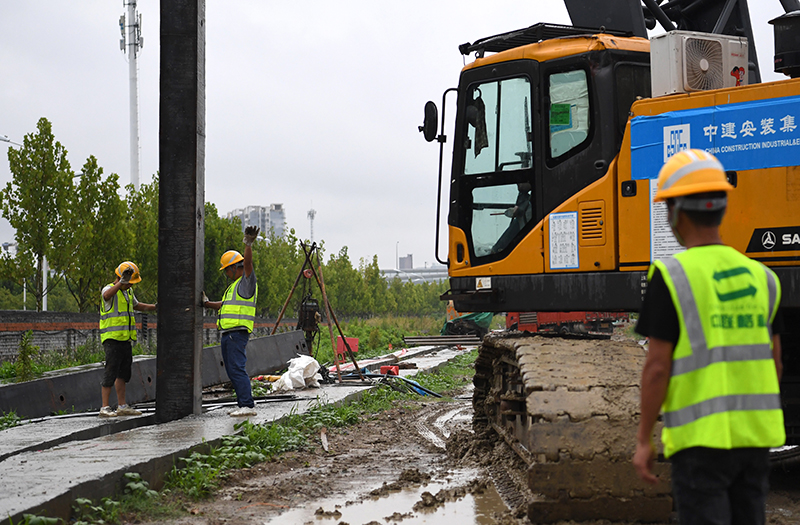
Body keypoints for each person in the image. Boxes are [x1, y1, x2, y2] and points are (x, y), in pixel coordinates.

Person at [633, 149, 785, 525]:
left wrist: (644, 439)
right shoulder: (763, 277)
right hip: (754, 439)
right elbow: (775, 362)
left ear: (675, 213)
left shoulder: (671, 276)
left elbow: (657, 369)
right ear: (721, 207)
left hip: (700, 443)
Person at [203, 225, 260, 417]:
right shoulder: (234, 288)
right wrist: (207, 303)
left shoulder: (246, 282)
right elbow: (223, 305)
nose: (226, 274)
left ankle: (247, 406)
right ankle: (243, 404)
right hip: (228, 334)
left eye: (227, 271)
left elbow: (249, 265)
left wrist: (248, 245)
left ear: (235, 268)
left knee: (237, 368)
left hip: (237, 333)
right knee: (232, 369)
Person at [99, 261, 157, 418]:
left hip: (125, 339)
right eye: (128, 283)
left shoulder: (128, 293)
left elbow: (137, 305)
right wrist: (121, 283)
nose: (130, 286)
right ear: (120, 277)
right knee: (110, 371)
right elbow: (106, 295)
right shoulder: (109, 289)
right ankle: (104, 407)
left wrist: (154, 307)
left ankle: (122, 406)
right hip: (112, 339)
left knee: (123, 374)